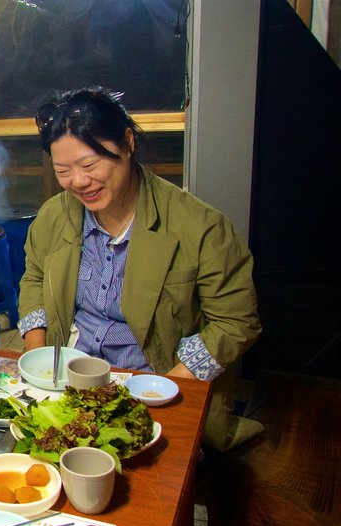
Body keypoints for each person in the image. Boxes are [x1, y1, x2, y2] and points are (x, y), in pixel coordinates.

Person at [19, 86, 261, 381]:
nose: (79, 181)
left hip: (150, 381)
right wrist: (37, 362)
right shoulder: (55, 215)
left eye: (89, 164)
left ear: (128, 142)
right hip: (66, 377)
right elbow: (34, 277)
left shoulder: (200, 226)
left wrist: (170, 387)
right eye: (62, 170)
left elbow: (235, 321)